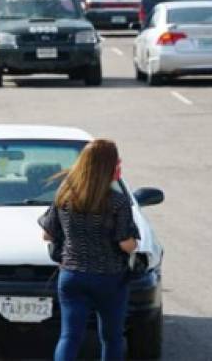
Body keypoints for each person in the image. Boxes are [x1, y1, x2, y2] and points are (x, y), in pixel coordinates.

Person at [38, 139, 138, 361]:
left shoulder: (65, 195)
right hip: (109, 277)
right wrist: (135, 244)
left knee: (69, 336)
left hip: (72, 275)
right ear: (109, 166)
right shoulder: (117, 202)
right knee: (111, 337)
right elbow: (125, 243)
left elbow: (47, 234)